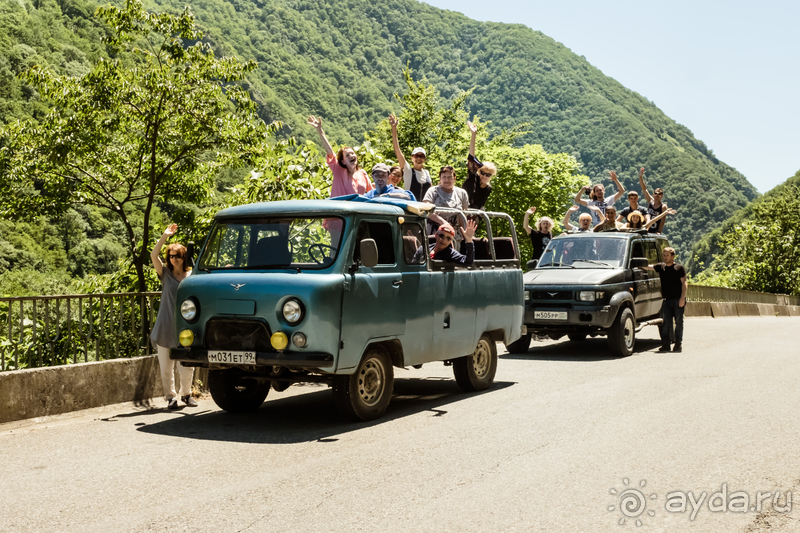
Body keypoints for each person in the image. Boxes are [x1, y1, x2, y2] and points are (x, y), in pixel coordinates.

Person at [150, 224, 196, 410]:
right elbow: (154, 256)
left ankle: (186, 394)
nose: (173, 259)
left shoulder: (191, 275)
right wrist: (164, 237)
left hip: (185, 325)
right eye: (171, 256)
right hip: (166, 324)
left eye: (177, 255)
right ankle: (171, 397)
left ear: (183, 257)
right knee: (166, 367)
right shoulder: (165, 274)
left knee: (186, 365)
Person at [307, 115, 373, 197]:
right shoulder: (338, 169)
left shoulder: (362, 173)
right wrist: (320, 131)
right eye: (347, 155)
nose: (351, 156)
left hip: (358, 209)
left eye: (352, 153)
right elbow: (329, 150)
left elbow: (371, 193)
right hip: (339, 208)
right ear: (343, 161)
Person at [650, 247, 687, 352]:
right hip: (666, 300)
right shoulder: (661, 267)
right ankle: (666, 344)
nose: (665, 257)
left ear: (672, 256)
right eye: (664, 255)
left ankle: (678, 344)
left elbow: (684, 283)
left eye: (667, 255)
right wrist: (637, 264)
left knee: (679, 322)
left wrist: (682, 298)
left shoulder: (679, 268)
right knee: (666, 322)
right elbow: (649, 267)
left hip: (677, 299)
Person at [389, 114, 432, 201]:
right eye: (416, 155)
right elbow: (397, 150)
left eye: (421, 156)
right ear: (412, 158)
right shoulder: (408, 171)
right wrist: (394, 129)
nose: (419, 158)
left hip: (425, 209)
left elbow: (432, 191)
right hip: (411, 208)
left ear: (425, 159)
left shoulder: (427, 173)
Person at [423, 166, 470, 237]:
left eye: (449, 177)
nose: (447, 179)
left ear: (454, 178)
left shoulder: (462, 193)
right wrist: (443, 223)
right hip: (434, 233)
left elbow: (463, 217)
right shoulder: (432, 191)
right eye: (444, 177)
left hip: (454, 234)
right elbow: (426, 209)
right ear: (440, 178)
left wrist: (465, 235)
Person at [461, 121, 498, 210]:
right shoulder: (473, 178)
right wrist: (474, 134)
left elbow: (480, 204)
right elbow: (471, 157)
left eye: (488, 175)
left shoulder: (488, 188)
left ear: (491, 176)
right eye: (482, 172)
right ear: (479, 171)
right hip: (461, 211)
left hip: (474, 216)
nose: (484, 176)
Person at [637, 167, 669, 234]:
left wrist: (659, 231)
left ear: (662, 196)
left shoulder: (663, 207)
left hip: (655, 231)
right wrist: (640, 177)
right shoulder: (650, 201)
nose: (657, 195)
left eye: (659, 194)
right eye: (655, 193)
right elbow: (644, 189)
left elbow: (663, 220)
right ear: (653, 194)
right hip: (646, 228)